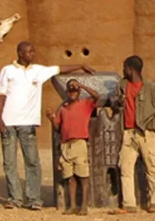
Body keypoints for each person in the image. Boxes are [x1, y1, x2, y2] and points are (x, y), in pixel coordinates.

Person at [0, 41, 95, 210]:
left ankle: (34, 199)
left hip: (28, 124)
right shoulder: (8, 71)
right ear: (20, 53)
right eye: (28, 51)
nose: (32, 54)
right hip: (9, 123)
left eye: (33, 51)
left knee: (32, 161)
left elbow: (59, 69)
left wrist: (81, 66)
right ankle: (15, 199)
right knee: (9, 162)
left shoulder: (38, 71)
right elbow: (0, 96)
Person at [109, 56, 155, 215]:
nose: (123, 71)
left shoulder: (150, 88)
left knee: (152, 167)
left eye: (125, 68)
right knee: (125, 168)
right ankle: (129, 204)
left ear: (131, 69)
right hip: (128, 134)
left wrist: (153, 125)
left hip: (146, 134)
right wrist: (117, 103)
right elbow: (113, 101)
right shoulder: (123, 85)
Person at [46, 79, 100, 215]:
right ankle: (73, 205)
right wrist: (51, 118)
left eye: (75, 90)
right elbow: (58, 127)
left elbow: (97, 97)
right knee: (69, 177)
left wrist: (81, 85)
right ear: (67, 92)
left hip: (79, 143)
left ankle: (84, 206)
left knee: (83, 176)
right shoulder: (63, 108)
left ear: (79, 92)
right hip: (66, 145)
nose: (73, 92)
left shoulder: (85, 104)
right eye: (70, 90)